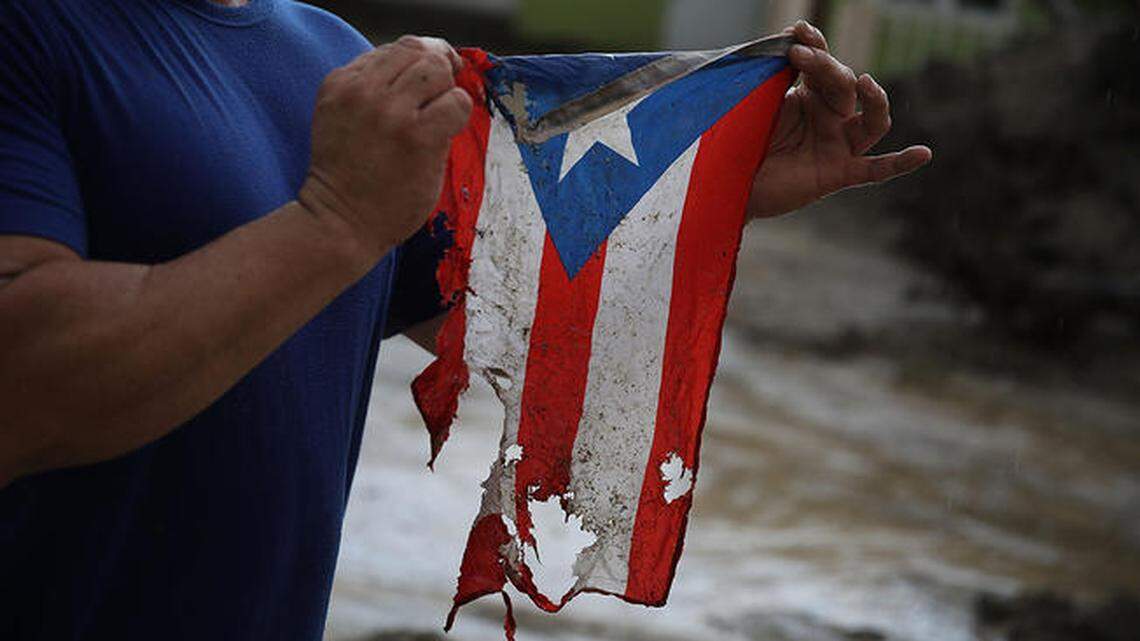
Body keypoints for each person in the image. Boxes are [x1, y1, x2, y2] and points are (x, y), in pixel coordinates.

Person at [0, 0, 931, 637]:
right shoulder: (27, 35)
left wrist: (708, 191)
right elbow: (21, 386)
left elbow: (486, 320)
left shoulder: (324, 49)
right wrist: (338, 218)